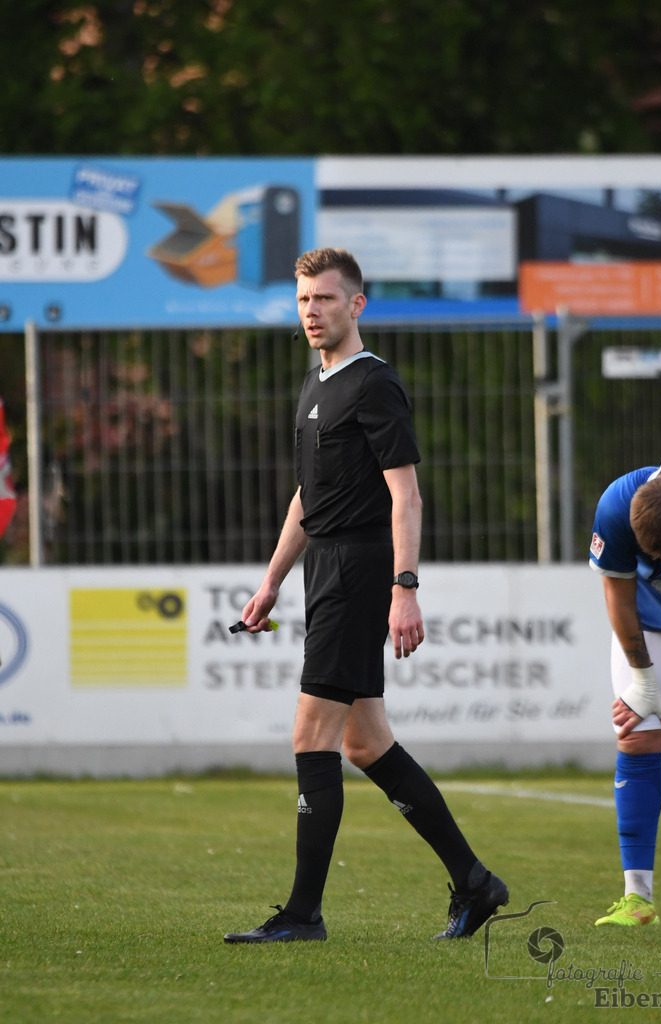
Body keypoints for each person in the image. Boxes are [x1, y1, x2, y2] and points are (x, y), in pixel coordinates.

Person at [223, 248, 508, 944]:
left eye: (324, 298)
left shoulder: (373, 384)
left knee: (309, 735)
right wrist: (269, 583)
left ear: (356, 304)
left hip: (358, 570)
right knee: (365, 741)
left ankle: (302, 915)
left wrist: (404, 586)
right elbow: (305, 496)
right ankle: (474, 883)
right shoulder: (315, 384)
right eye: (302, 301)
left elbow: (404, 495)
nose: (311, 312)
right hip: (324, 568)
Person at [589, 457, 661, 927]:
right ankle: (637, 899)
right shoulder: (616, 505)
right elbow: (618, 593)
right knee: (638, 737)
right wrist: (643, 679)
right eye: (655, 555)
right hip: (653, 626)